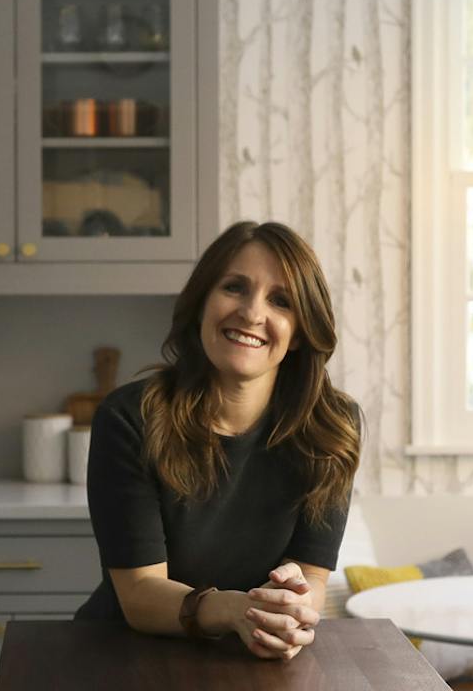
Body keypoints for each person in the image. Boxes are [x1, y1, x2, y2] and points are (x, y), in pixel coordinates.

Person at [77, 220, 360, 657]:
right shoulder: (129, 418)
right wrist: (233, 610)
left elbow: (311, 575)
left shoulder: (334, 429)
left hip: (253, 658)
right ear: (201, 302)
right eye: (234, 288)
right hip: (128, 657)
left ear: (301, 331)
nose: (251, 313)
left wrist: (291, 613)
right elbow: (139, 593)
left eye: (280, 301)